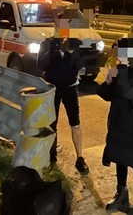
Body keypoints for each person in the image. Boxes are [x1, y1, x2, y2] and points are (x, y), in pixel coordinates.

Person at [97, 50, 133, 214]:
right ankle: (121, 193)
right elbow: (107, 95)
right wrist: (107, 82)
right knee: (119, 155)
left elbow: (126, 92)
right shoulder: (120, 69)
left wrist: (119, 70)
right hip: (118, 119)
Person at [38, 37, 89, 174]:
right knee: (51, 123)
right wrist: (52, 51)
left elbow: (80, 66)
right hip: (52, 88)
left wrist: (72, 53)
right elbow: (41, 66)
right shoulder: (47, 43)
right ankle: (51, 156)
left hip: (70, 88)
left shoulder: (76, 43)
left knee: (75, 123)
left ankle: (80, 158)